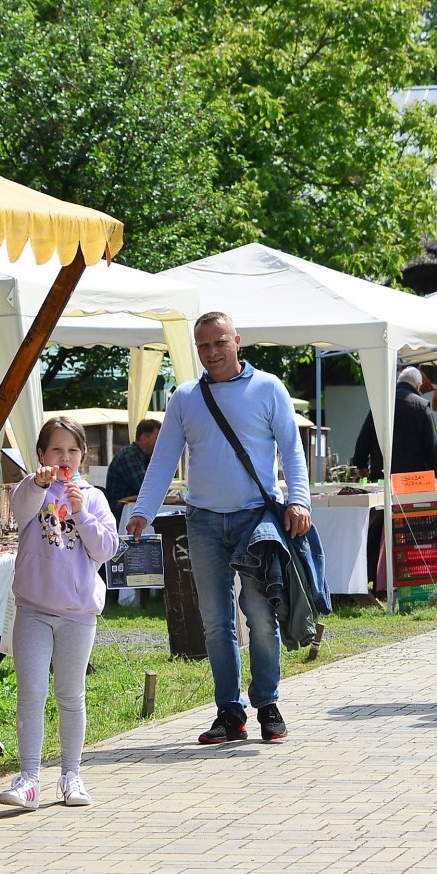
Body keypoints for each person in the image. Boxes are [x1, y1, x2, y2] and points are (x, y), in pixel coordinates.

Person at [128, 312, 311, 744]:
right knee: (215, 621)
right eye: (203, 346)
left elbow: (292, 449)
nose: (211, 352)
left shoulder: (268, 387)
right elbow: (162, 461)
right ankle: (229, 712)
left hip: (256, 518)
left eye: (219, 343)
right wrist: (142, 510)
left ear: (237, 342)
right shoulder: (185, 397)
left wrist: (300, 498)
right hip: (203, 520)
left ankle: (267, 703)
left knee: (261, 614)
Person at [0, 417, 119, 811]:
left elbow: (105, 550)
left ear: (83, 455)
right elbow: (18, 512)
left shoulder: (94, 497)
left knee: (70, 694)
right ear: (41, 455)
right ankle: (29, 778)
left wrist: (82, 514)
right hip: (33, 608)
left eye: (71, 450)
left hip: (78, 614)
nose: (63, 458)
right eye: (55, 450)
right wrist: (36, 483)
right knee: (31, 692)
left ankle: (71, 774)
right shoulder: (31, 490)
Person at [353, 366, 437, 481]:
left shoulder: (382, 404)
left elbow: (365, 437)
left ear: (398, 382)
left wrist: (361, 465)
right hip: (413, 479)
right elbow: (431, 443)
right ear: (418, 385)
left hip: (382, 475)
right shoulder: (421, 407)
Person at [104, 419, 161, 515]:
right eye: (158, 438)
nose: (161, 443)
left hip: (133, 512)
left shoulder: (144, 457)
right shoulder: (129, 456)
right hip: (122, 515)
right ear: (144, 438)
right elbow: (147, 489)